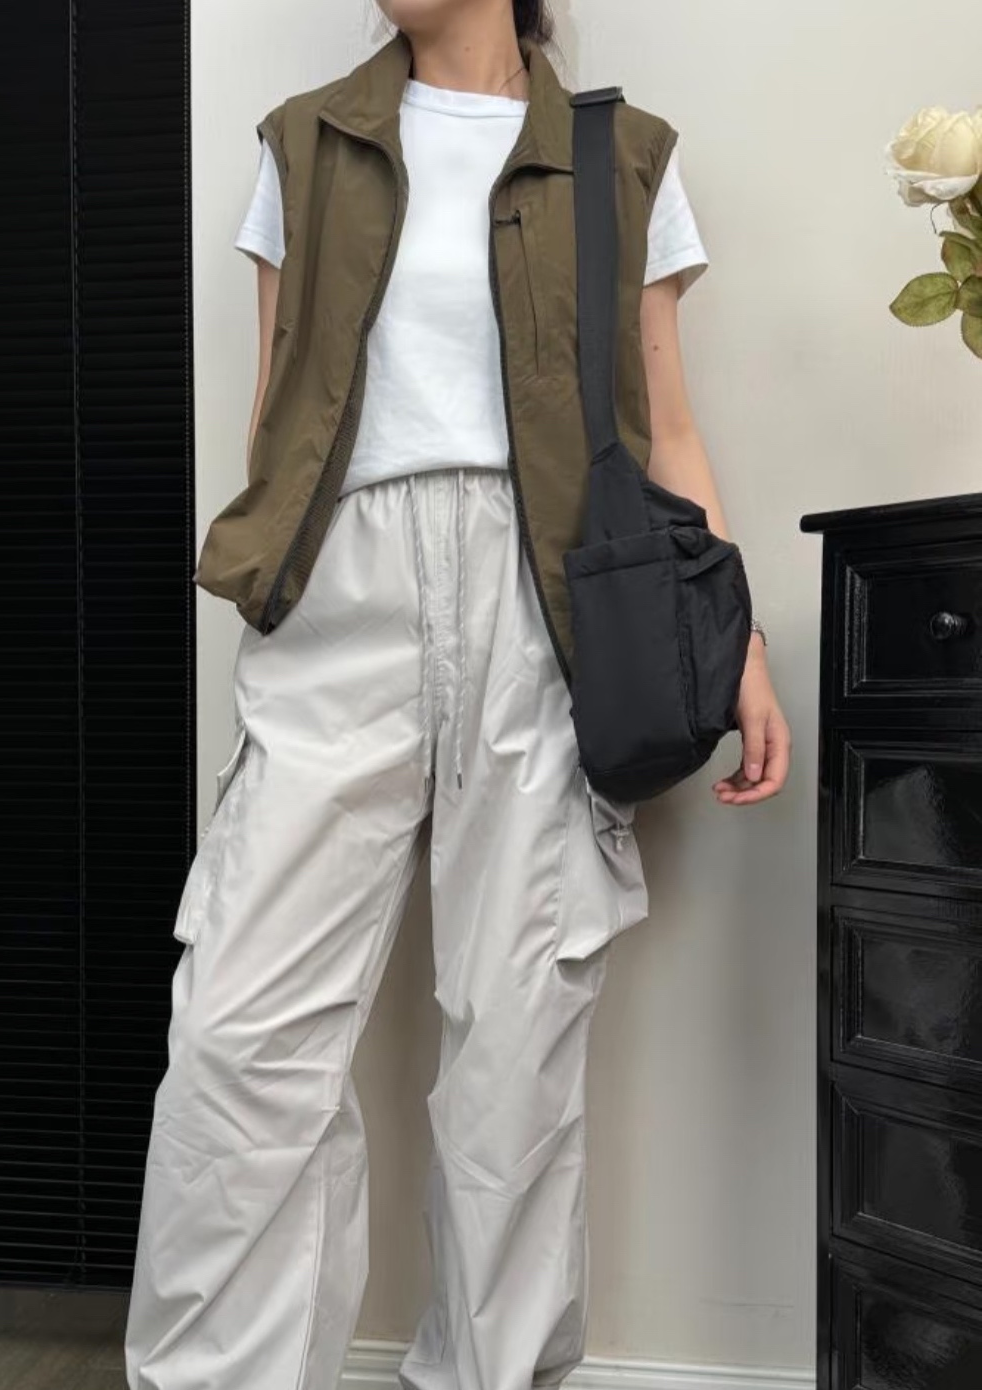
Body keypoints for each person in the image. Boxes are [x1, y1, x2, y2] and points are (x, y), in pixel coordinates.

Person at [124, 3, 791, 1388]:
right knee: (243, 1030)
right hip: (342, 593)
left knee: (516, 1044)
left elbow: (667, 431)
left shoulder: (624, 155)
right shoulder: (304, 143)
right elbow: (276, 415)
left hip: (548, 604)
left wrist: (738, 646)